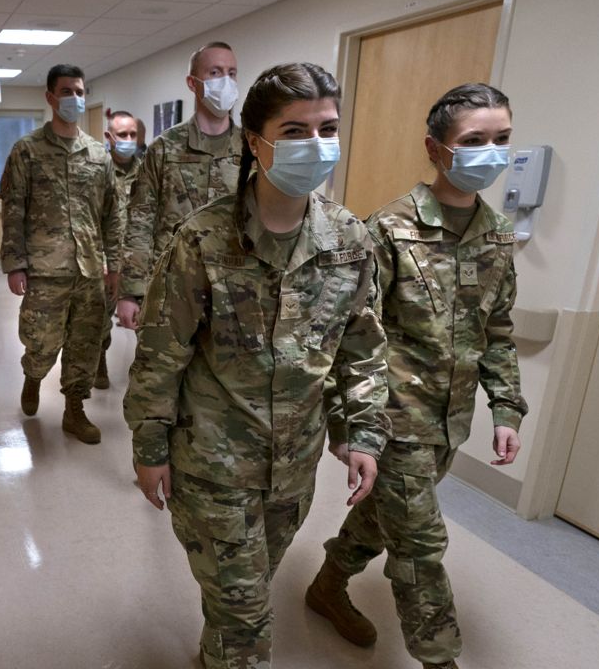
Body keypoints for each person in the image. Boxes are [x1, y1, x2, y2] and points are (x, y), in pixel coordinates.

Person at [125, 63, 390, 669]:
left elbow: (360, 348)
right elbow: (161, 357)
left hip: (293, 469)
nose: (316, 145)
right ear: (254, 141)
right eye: (294, 131)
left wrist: (361, 434)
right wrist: (149, 447)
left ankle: (218, 643)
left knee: (246, 591)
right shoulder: (203, 240)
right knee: (248, 619)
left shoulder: (350, 240)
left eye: (328, 128)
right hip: (214, 464)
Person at [307, 83, 528, 669]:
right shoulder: (388, 230)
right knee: (422, 546)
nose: (490, 152)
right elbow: (350, 336)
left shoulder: (499, 235)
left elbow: (497, 331)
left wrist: (506, 409)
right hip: (392, 416)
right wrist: (350, 425)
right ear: (436, 149)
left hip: (449, 421)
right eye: (473, 140)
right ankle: (439, 658)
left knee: (385, 517)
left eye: (501, 140)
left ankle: (327, 585)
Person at [0, 64, 121, 444]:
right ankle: (33, 376)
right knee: (42, 341)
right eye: (67, 91)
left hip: (89, 270)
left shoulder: (99, 155)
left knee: (84, 343)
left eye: (80, 92)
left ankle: (74, 409)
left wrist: (114, 265)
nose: (75, 99)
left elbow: (112, 215)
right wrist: (15, 263)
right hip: (44, 267)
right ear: (50, 97)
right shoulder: (27, 151)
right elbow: (13, 209)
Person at [117, 41, 243, 329]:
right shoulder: (164, 149)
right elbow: (139, 222)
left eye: (232, 73)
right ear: (193, 82)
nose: (226, 80)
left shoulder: (252, 149)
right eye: (215, 72)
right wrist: (130, 292)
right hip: (169, 289)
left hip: (235, 292)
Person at [94, 110, 143, 390]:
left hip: (138, 259)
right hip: (107, 259)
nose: (128, 140)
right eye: (122, 135)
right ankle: (100, 360)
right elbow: (89, 219)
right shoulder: (98, 171)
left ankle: (144, 371)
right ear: (109, 137)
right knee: (102, 317)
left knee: (146, 321)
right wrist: (101, 260)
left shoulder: (148, 169)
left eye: (132, 134)